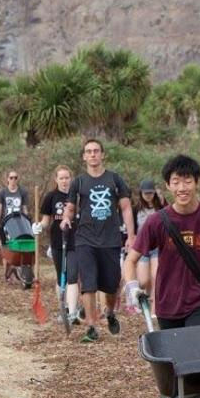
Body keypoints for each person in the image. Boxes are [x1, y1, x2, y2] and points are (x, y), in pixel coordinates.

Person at [125, 154, 200, 329]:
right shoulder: (156, 221)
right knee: (175, 356)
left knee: (198, 352)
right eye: (175, 182)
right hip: (167, 305)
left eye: (188, 181)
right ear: (167, 185)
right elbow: (131, 260)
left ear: (197, 182)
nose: (182, 188)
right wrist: (132, 286)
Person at [60, 140, 135, 343]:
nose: (92, 155)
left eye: (96, 151)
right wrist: (66, 218)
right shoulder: (79, 182)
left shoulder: (114, 179)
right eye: (88, 152)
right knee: (89, 284)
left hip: (110, 239)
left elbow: (126, 208)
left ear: (102, 154)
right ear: (84, 157)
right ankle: (92, 326)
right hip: (85, 239)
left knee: (111, 286)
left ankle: (109, 313)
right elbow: (71, 206)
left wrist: (131, 235)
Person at [35, 165, 81, 324]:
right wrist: (39, 226)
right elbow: (46, 221)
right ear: (56, 179)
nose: (64, 181)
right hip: (57, 241)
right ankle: (64, 308)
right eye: (61, 178)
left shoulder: (78, 196)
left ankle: (73, 311)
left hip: (76, 240)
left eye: (67, 177)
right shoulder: (50, 197)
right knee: (62, 276)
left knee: (73, 275)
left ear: (71, 178)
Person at [131, 179, 168, 314]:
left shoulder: (161, 207)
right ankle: (145, 296)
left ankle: (154, 309)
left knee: (156, 276)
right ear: (141, 193)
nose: (148, 196)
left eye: (151, 193)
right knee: (143, 280)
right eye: (146, 193)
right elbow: (133, 228)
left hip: (158, 247)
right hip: (142, 247)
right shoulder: (136, 209)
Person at [0, 171, 30, 283]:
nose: (13, 180)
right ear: (7, 179)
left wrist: (28, 223)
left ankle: (16, 270)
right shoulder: (2, 192)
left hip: (19, 224)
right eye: (11, 177)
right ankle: (8, 274)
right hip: (6, 222)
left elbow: (24, 209)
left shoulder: (22, 192)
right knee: (7, 248)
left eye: (15, 177)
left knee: (18, 247)